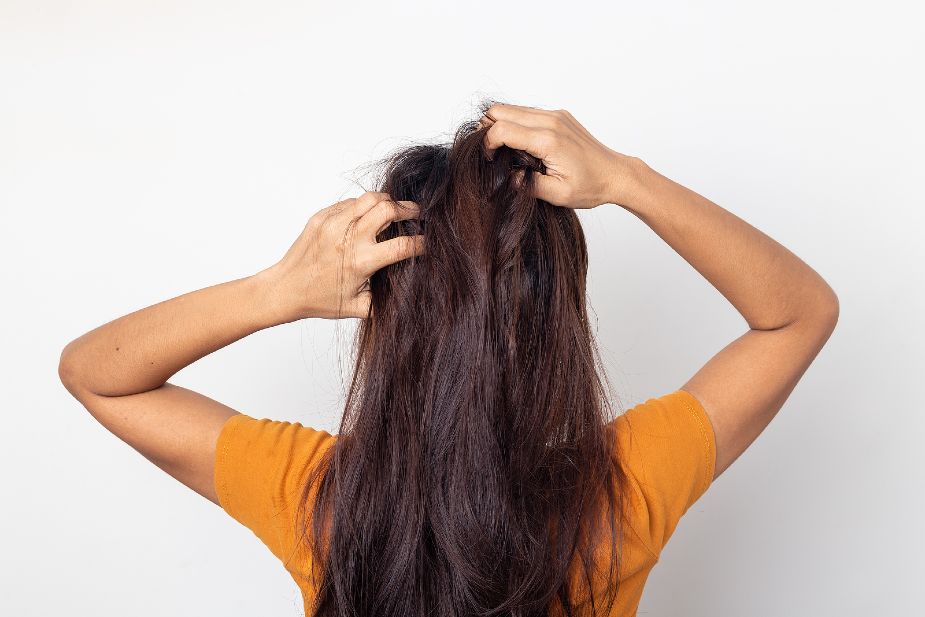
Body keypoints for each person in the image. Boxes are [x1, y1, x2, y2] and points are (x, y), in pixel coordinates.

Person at [58, 102, 839, 616]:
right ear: (552, 315)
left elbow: (96, 373)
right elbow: (797, 315)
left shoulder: (319, 502)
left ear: (391, 318)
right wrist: (626, 181)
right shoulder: (620, 494)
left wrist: (279, 290)